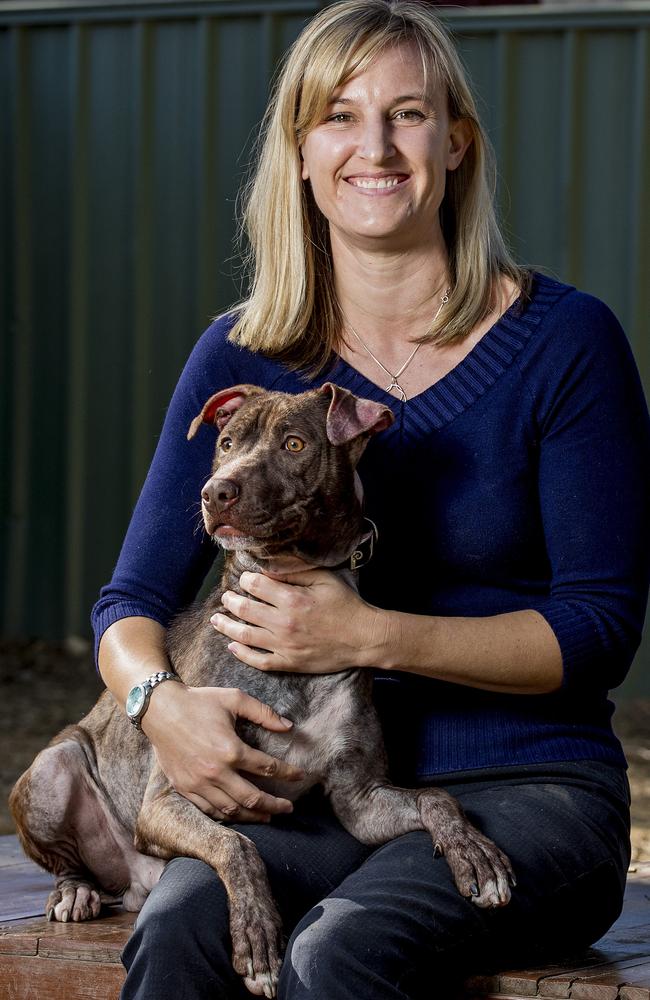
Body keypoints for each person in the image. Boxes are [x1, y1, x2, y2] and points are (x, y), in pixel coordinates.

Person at [92, 1, 650, 997]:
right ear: (301, 154)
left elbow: (598, 627)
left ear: (455, 143)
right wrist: (157, 700)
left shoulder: (566, 344)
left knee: (339, 947)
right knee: (181, 927)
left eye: (406, 114)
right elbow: (127, 603)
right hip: (318, 797)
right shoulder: (240, 354)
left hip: (527, 787)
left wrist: (363, 634)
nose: (375, 147)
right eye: (340, 117)